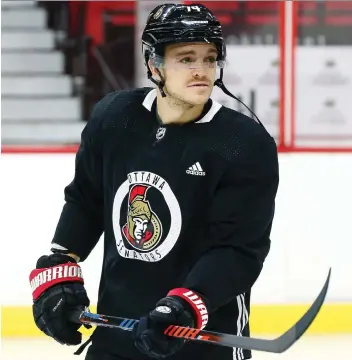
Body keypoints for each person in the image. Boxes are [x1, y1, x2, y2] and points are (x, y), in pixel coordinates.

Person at [29, 3, 279, 360]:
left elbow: (239, 250)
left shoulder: (243, 144)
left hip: (200, 338)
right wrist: (60, 261)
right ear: (153, 64)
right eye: (186, 58)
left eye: (209, 58)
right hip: (116, 339)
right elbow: (87, 199)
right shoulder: (115, 118)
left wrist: (187, 306)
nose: (201, 70)